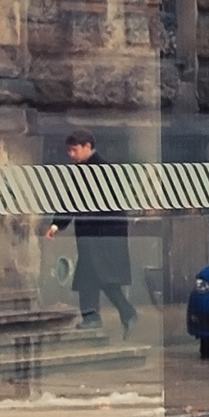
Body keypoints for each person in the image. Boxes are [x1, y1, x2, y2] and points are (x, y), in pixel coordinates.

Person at [51, 129, 137, 334]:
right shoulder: (87, 169)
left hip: (101, 232)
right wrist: (57, 224)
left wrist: (59, 223)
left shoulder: (100, 170)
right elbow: (72, 200)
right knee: (96, 276)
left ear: (87, 147)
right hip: (98, 232)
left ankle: (98, 316)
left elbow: (77, 201)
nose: (71, 155)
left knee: (97, 276)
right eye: (69, 151)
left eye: (74, 150)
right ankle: (110, 314)